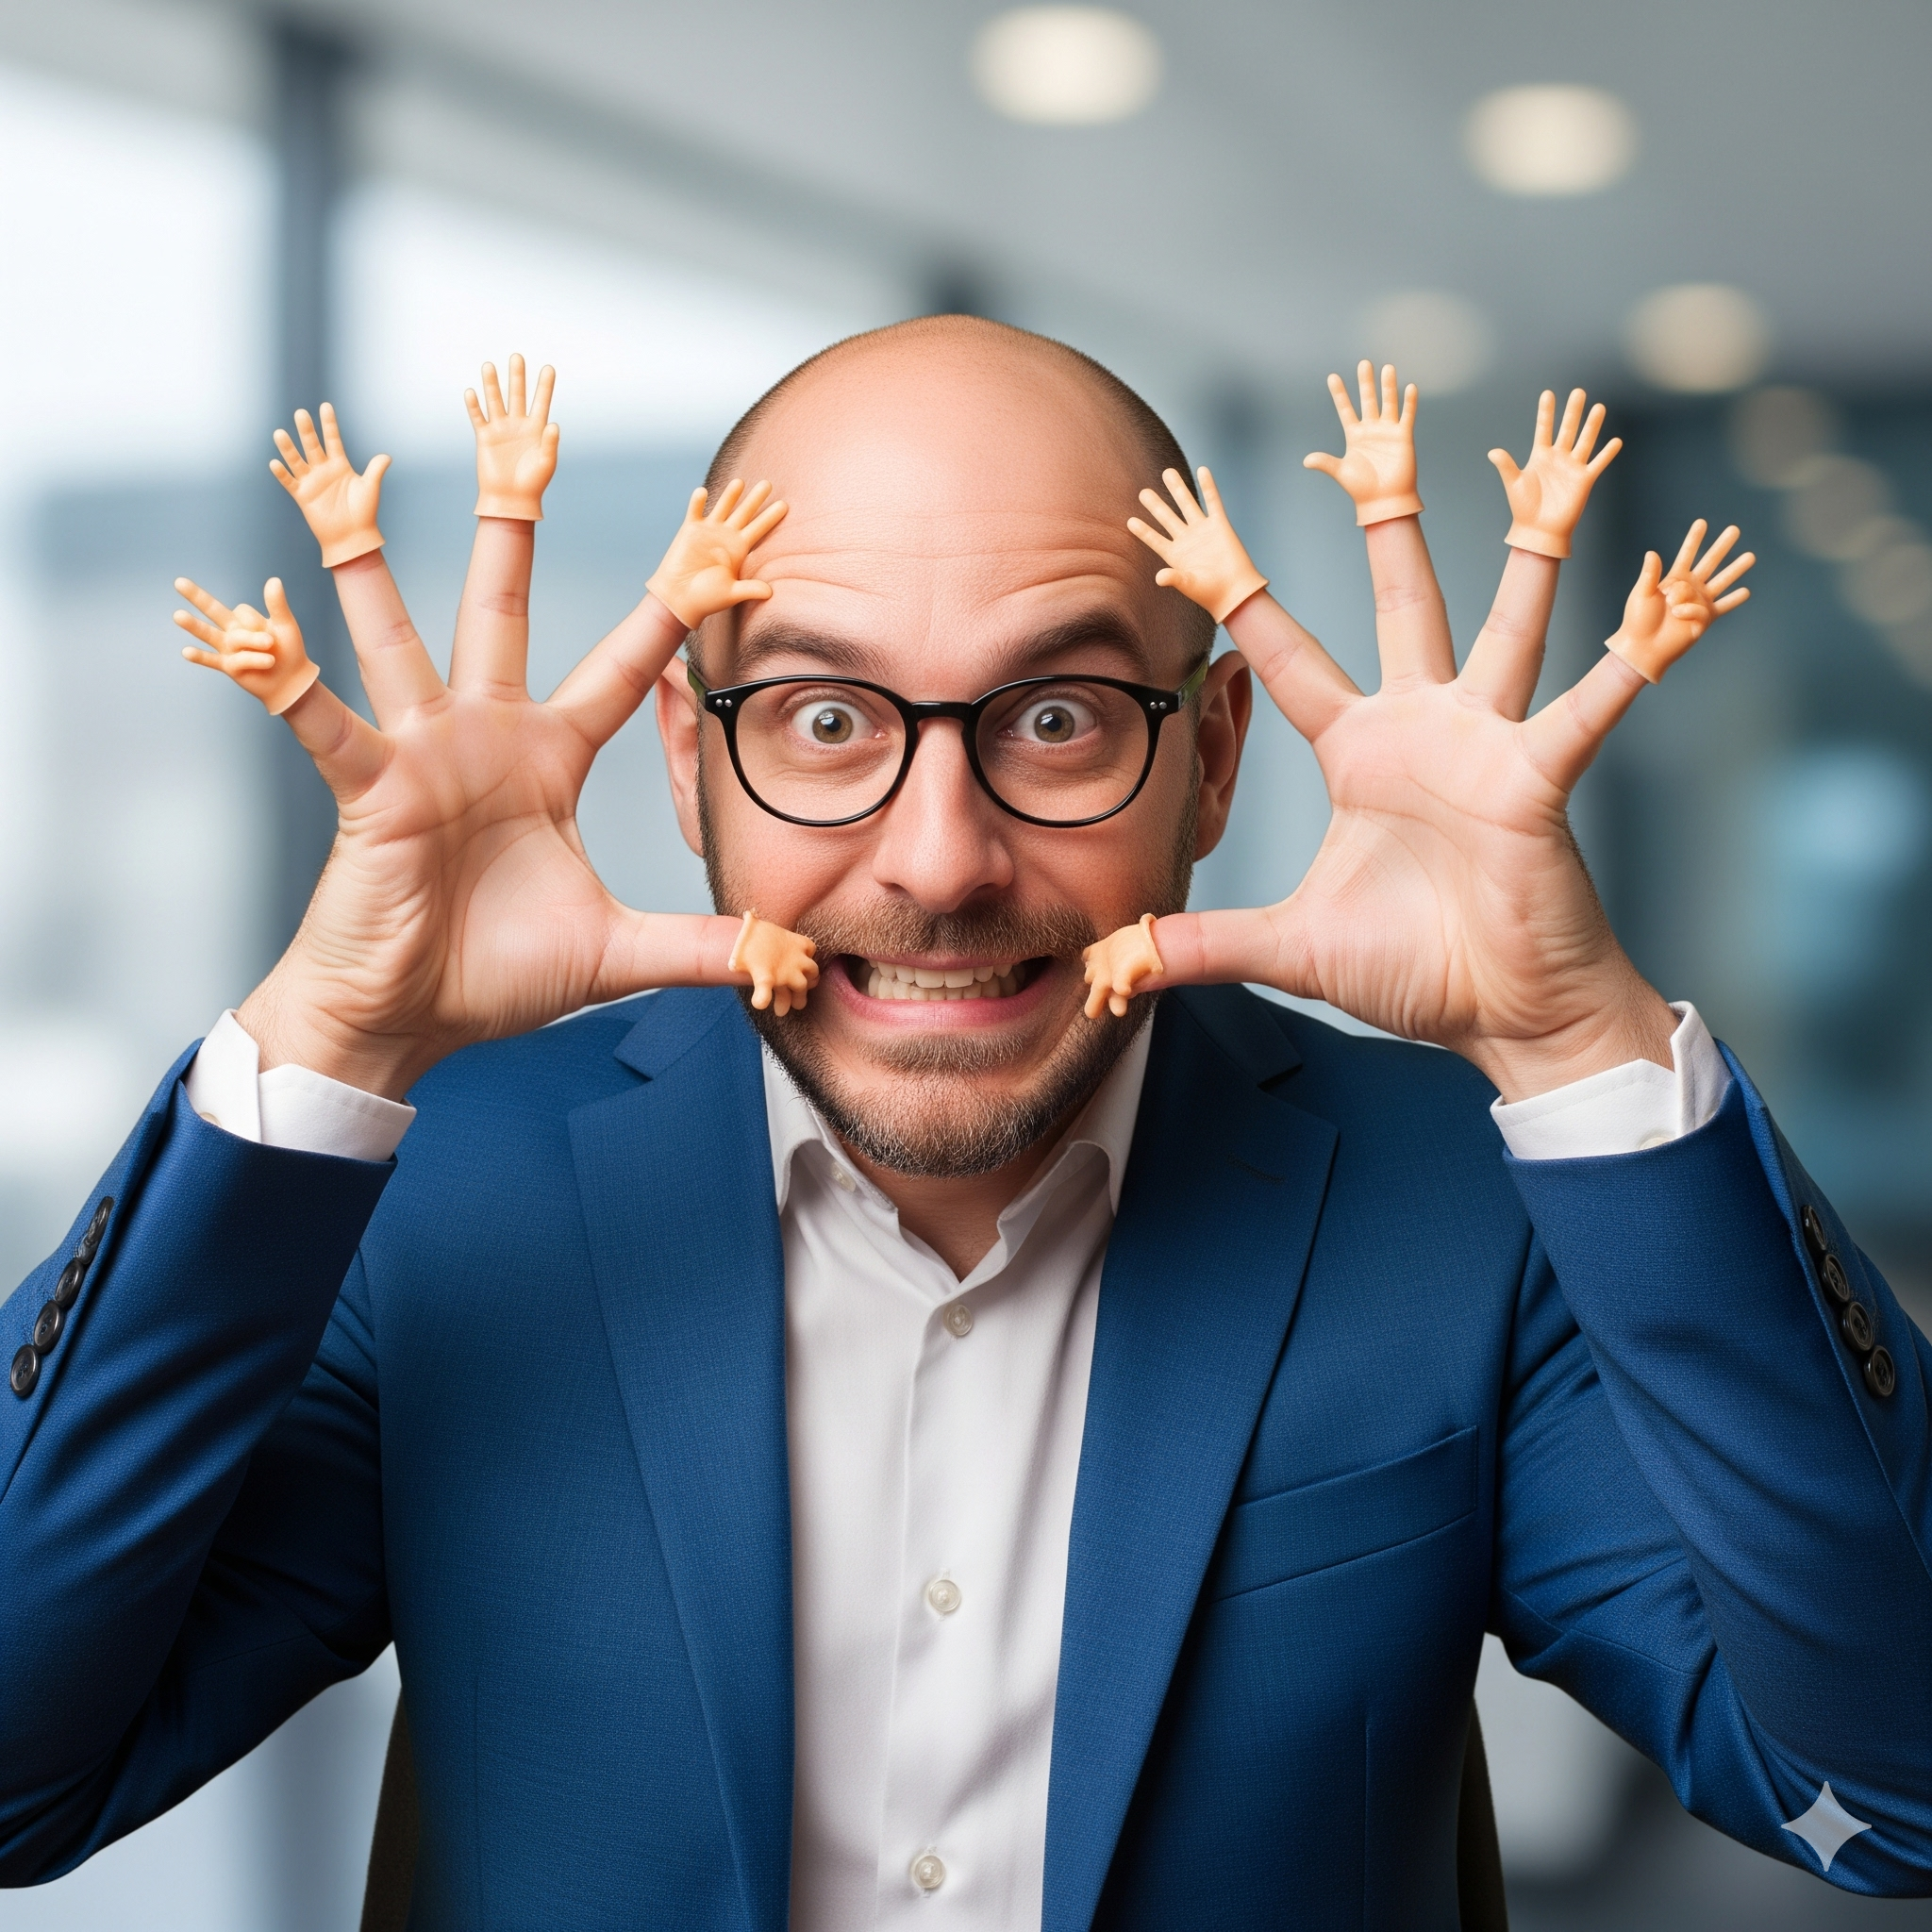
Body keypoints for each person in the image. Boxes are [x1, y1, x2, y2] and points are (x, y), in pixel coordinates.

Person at [1, 317, 1925, 1932]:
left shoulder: (1459, 1191)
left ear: (1214, 755)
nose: (938, 863)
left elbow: (1888, 1792)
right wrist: (320, 1040)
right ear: (688, 760)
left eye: (1063, 715)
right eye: (825, 720)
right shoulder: (430, 1193)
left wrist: (1577, 1033)